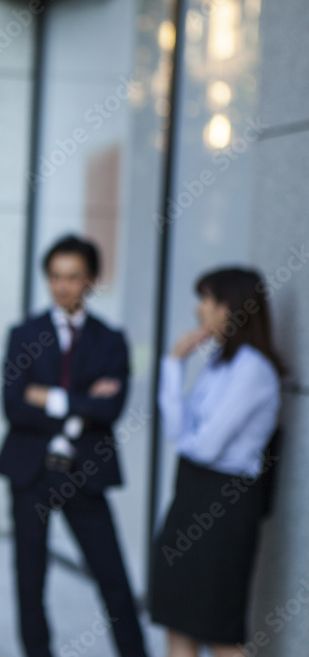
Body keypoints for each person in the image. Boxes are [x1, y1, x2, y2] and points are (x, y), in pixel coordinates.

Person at [0, 235, 148, 657]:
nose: (62, 287)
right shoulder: (24, 335)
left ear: (92, 281)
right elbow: (13, 407)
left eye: (73, 277)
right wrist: (83, 403)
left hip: (87, 471)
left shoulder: (110, 340)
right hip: (31, 470)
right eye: (55, 277)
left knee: (113, 578)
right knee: (30, 580)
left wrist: (50, 397)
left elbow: (111, 408)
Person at [150, 267, 283, 657]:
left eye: (206, 301)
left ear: (230, 308)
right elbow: (179, 430)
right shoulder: (220, 363)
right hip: (191, 493)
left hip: (225, 506)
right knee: (177, 620)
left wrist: (193, 437)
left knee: (219, 630)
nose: (199, 310)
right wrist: (174, 363)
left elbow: (206, 446)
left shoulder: (254, 370)